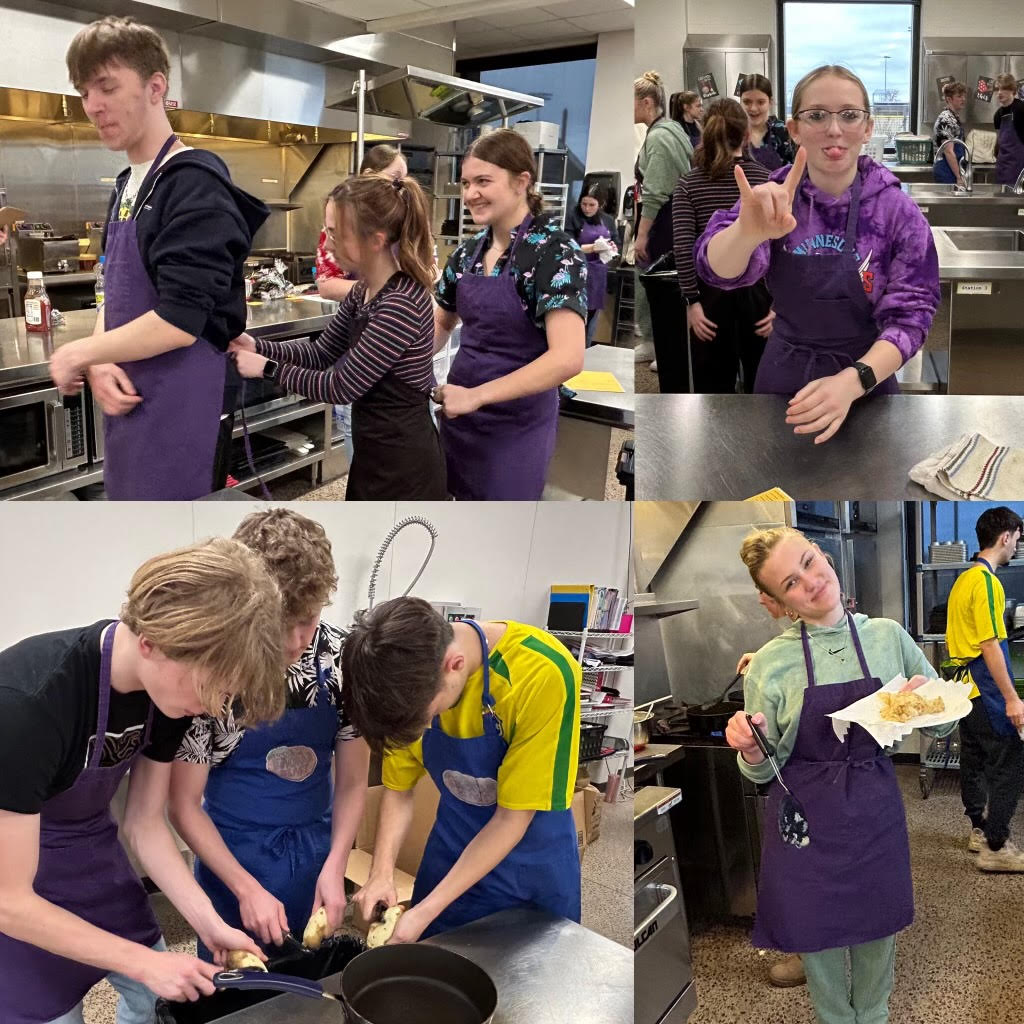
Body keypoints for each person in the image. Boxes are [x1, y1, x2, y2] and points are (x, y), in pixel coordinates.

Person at [0, 538, 286, 1024]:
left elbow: (145, 824)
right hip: (19, 889)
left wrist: (210, 925)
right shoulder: (28, 706)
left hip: (96, 859)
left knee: (157, 999)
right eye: (208, 687)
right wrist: (146, 962)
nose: (211, 706)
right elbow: (9, 901)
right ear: (151, 642)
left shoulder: (171, 697)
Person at [725, 526, 948, 1024]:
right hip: (805, 820)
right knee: (816, 934)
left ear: (823, 555)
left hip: (873, 807)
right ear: (776, 603)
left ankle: (873, 1015)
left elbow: (945, 720)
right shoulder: (768, 665)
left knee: (877, 929)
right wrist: (750, 748)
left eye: (807, 561)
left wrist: (921, 706)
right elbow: (762, 772)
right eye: (789, 583)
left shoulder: (889, 637)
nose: (809, 581)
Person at [49, 17, 269, 499]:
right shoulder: (129, 184)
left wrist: (80, 353)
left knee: (185, 553)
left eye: (106, 87)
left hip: (185, 403)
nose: (93, 106)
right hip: (134, 400)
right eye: (85, 93)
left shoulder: (193, 182)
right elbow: (115, 289)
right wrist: (103, 358)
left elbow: (180, 319)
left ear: (155, 87)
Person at [697, 65, 940, 442]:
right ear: (794, 129)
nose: (833, 129)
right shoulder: (774, 197)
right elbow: (718, 271)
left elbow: (912, 317)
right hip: (785, 378)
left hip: (868, 381)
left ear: (868, 127)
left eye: (849, 115)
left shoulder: (896, 212)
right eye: (816, 115)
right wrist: (745, 233)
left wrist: (854, 380)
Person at [170, 510, 369, 959]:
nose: (297, 639)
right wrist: (244, 888)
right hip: (231, 858)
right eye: (282, 621)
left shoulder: (341, 661)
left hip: (317, 853)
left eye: (311, 619)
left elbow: (355, 782)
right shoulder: (212, 669)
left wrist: (337, 864)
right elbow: (183, 805)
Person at [342, 598, 582, 943]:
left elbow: (513, 817)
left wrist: (423, 911)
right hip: (449, 854)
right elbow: (398, 789)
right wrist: (381, 873)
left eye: (425, 718)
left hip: (530, 868)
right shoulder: (405, 675)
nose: (423, 726)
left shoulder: (542, 675)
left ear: (453, 665)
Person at [230, 174, 447, 500]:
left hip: (405, 462)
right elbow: (321, 353)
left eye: (336, 234)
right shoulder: (364, 291)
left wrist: (266, 368)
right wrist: (257, 345)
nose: (328, 245)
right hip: (373, 449)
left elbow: (340, 386)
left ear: (375, 240)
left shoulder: (401, 302)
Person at [432, 129, 586, 500]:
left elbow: (567, 358)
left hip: (515, 428)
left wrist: (478, 396)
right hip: (459, 415)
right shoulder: (468, 252)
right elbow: (441, 320)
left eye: (483, 181)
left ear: (522, 182)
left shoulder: (555, 253)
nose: (470, 194)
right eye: (466, 182)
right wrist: (398, 365)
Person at [673, 98, 776, 393]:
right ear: (746, 135)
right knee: (764, 390)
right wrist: (780, 305)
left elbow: (683, 249)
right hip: (760, 294)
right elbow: (784, 247)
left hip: (709, 296)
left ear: (704, 132)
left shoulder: (688, 184)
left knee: (713, 391)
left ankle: (713, 440)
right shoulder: (765, 179)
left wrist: (691, 303)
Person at [945, 506, 1024, 872]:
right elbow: (990, 643)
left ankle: (977, 828)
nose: (1015, 549)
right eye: (1016, 541)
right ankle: (996, 846)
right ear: (1005, 536)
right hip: (986, 686)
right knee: (1009, 762)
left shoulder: (963, 579)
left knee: (974, 760)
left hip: (965, 689)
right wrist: (1012, 698)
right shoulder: (988, 582)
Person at [634, 70, 694, 393]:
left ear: (646, 102)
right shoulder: (668, 129)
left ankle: (666, 345)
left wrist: (641, 235)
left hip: (666, 219)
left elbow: (655, 193)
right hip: (669, 216)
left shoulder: (660, 137)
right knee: (651, 281)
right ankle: (654, 339)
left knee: (663, 283)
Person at [315, 145, 408, 304]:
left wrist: (389, 291)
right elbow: (327, 285)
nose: (328, 246)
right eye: (395, 178)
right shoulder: (356, 303)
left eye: (401, 181)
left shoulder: (409, 221)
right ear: (368, 175)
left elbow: (428, 274)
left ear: (376, 241)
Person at [566, 184, 618, 346]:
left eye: (592, 205)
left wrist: (612, 248)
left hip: (597, 275)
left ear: (600, 205)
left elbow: (616, 241)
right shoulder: (573, 217)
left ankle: (587, 352)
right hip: (577, 272)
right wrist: (592, 248)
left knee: (591, 318)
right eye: (584, 204)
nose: (587, 209)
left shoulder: (608, 220)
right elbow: (568, 245)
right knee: (575, 317)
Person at [739, 74, 796, 172]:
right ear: (740, 101)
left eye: (760, 102)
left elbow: (794, 171)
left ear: (770, 102)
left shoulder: (782, 132)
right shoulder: (732, 132)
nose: (753, 108)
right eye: (747, 102)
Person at [932, 81, 969, 185]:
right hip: (946, 170)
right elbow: (948, 151)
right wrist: (958, 176)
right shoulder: (946, 119)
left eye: (963, 96)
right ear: (949, 99)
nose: (963, 99)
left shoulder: (954, 117)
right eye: (959, 96)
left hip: (952, 168)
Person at [993, 73, 1024, 188]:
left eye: (1004, 89)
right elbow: (999, 144)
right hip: (1003, 168)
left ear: (1013, 91)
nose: (1000, 92)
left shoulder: (1021, 109)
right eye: (998, 89)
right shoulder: (997, 115)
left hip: (1020, 168)